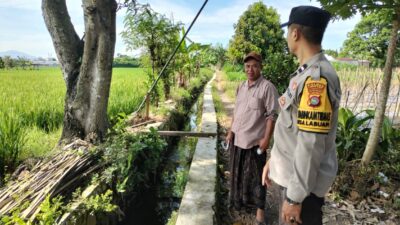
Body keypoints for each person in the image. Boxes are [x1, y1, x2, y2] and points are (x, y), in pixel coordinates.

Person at [262, 6, 342, 225]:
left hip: (300, 191)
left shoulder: (316, 79)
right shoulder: (305, 74)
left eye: (288, 32)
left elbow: (311, 144)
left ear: (295, 33)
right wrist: (274, 160)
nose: (287, 37)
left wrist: (294, 199)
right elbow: (294, 132)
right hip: (291, 179)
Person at [226, 51, 279, 225]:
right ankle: (239, 202)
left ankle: (260, 214)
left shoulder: (267, 87)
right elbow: (237, 112)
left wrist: (266, 139)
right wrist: (230, 131)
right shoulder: (241, 86)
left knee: (258, 179)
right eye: (247, 66)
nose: (250, 69)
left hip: (254, 142)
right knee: (238, 173)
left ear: (260, 67)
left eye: (254, 66)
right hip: (237, 139)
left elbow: (271, 115)